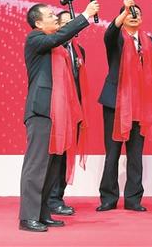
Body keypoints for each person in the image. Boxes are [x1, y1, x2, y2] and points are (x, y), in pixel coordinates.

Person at [19, 0, 99, 232]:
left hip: (59, 114)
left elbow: (63, 38)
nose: (55, 17)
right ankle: (28, 217)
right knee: (36, 166)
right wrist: (84, 16)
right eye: (50, 15)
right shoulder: (35, 39)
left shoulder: (59, 49)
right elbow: (59, 36)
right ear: (38, 23)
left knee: (52, 168)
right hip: (42, 112)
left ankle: (43, 214)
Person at [97, 0, 152, 212]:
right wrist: (124, 11)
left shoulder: (151, 42)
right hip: (115, 103)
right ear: (123, 17)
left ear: (142, 19)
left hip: (140, 105)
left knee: (135, 154)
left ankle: (133, 199)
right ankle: (108, 198)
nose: (134, 16)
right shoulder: (116, 39)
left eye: (137, 13)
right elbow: (110, 33)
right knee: (112, 153)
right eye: (129, 13)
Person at [47, 11, 89, 216]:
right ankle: (51, 199)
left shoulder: (79, 50)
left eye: (72, 22)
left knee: (66, 155)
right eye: (64, 23)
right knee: (56, 155)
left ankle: (57, 197)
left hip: (74, 109)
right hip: (56, 110)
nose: (70, 26)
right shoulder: (53, 49)